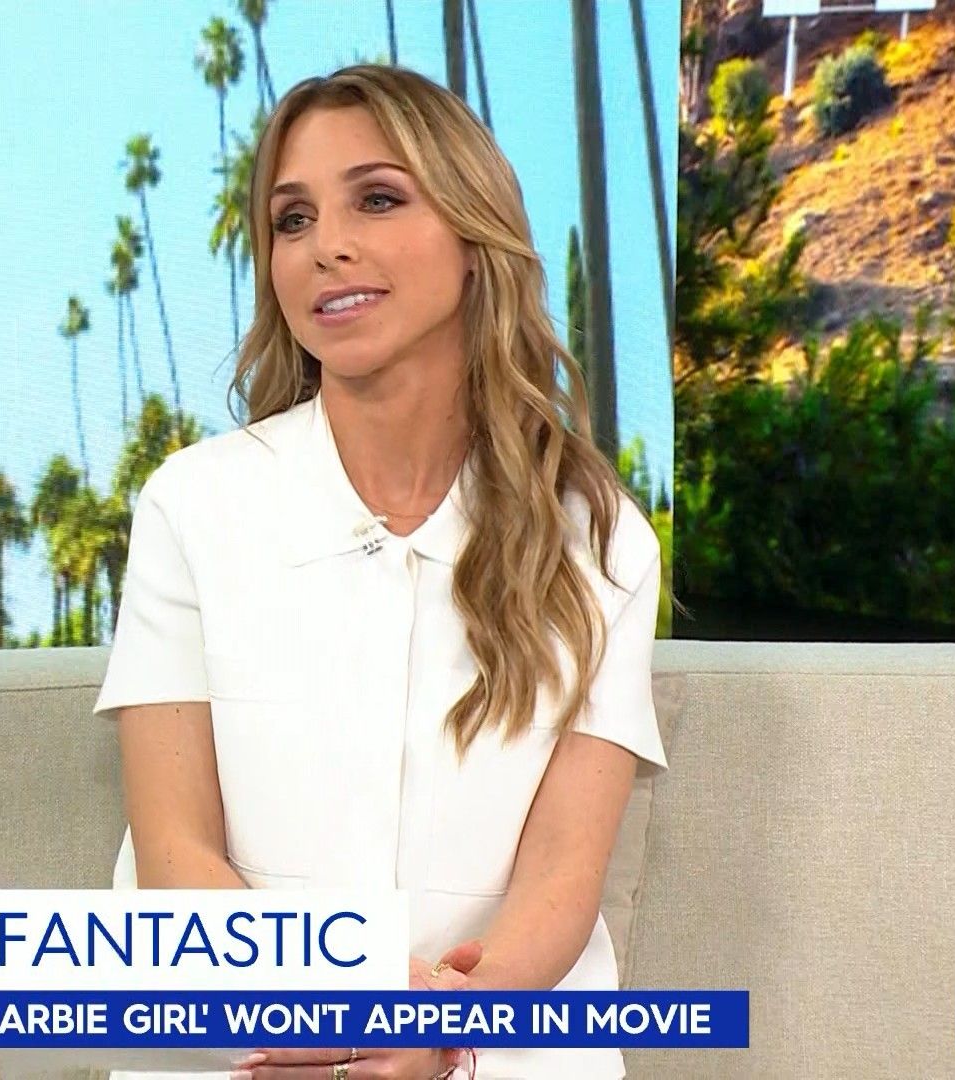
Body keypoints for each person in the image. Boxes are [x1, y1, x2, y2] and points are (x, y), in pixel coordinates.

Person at [93, 64, 666, 1080]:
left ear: (475, 240)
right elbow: (175, 850)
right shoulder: (192, 504)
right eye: (293, 219)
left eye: (378, 199)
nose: (327, 245)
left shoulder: (600, 535)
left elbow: (561, 876)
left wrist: (452, 1028)